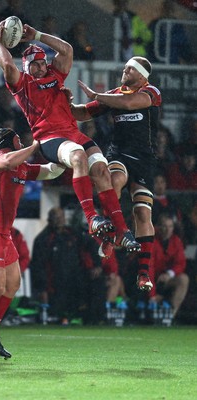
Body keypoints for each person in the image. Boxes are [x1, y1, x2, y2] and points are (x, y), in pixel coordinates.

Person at [0, 20, 141, 251]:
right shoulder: (23, 84)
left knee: (103, 172)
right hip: (49, 139)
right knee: (79, 156)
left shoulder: (55, 76)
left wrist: (38, 35)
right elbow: (8, 66)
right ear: (27, 67)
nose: (40, 67)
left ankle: (121, 231)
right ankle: (92, 219)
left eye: (42, 63)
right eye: (34, 65)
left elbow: (67, 50)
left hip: (73, 134)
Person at [0, 127, 66, 362]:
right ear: (7, 141)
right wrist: (35, 146)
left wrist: (65, 154)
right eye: (18, 139)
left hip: (3, 233)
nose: (22, 141)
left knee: (12, 285)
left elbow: (50, 172)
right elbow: (7, 160)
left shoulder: (22, 166)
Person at [70, 56, 162, 292]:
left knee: (142, 213)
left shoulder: (151, 92)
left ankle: (143, 274)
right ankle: (111, 232)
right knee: (114, 179)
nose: (125, 70)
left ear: (142, 75)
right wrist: (63, 106)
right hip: (119, 154)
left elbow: (131, 103)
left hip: (143, 160)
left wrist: (97, 95)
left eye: (130, 68)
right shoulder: (114, 95)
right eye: (125, 67)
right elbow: (83, 114)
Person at [30, 207, 85, 325]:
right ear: (50, 220)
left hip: (74, 279)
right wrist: (42, 288)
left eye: (61, 217)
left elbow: (86, 251)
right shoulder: (42, 239)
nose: (60, 220)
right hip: (54, 282)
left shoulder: (73, 234)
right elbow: (38, 266)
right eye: (57, 217)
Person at [148, 213, 189, 319]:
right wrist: (151, 295)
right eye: (164, 226)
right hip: (148, 281)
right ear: (158, 227)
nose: (167, 229)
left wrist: (169, 274)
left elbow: (180, 263)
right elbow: (149, 269)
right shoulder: (150, 241)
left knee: (183, 279)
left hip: (165, 280)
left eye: (170, 226)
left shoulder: (176, 241)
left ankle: (170, 315)